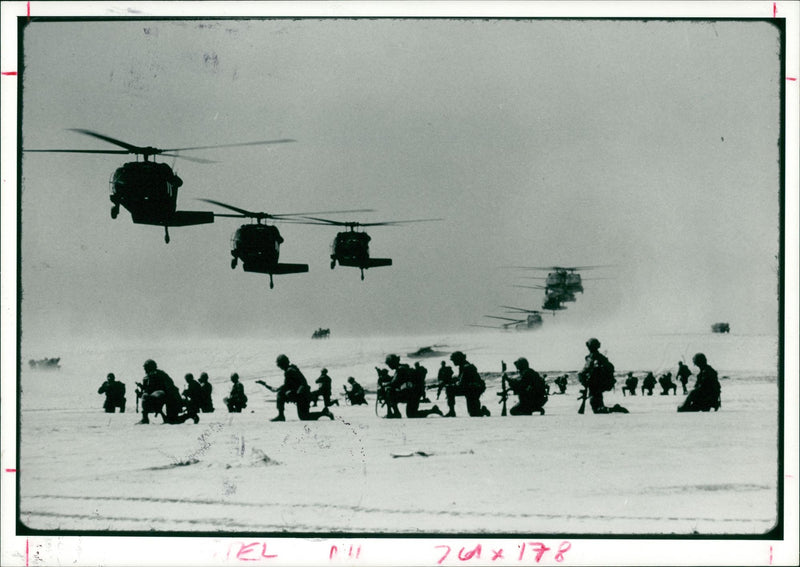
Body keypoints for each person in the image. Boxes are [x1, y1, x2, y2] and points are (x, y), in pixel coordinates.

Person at [258, 354, 333, 421]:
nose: (279, 367)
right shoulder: (289, 371)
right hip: (301, 396)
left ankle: (324, 413)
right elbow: (279, 389)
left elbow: (303, 383)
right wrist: (265, 385)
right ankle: (281, 416)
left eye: (279, 364)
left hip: (303, 396)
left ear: (282, 364)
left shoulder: (291, 371)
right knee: (281, 394)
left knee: (304, 417)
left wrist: (297, 393)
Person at [381, 354, 442, 418]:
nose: (389, 366)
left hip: (413, 393)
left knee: (390, 392)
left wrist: (384, 385)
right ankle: (433, 410)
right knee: (412, 414)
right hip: (413, 392)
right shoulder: (401, 368)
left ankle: (396, 413)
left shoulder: (400, 369)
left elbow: (395, 383)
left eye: (389, 364)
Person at [578, 338, 627, 414]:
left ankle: (616, 409)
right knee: (598, 407)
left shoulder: (593, 357)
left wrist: (584, 381)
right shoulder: (599, 357)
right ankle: (615, 408)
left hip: (595, 385)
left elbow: (584, 371)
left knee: (597, 409)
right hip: (597, 384)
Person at [138, 359, 195, 424]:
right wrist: (141, 391)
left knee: (173, 421)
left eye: (146, 367)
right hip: (162, 399)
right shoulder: (147, 378)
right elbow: (148, 392)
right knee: (146, 396)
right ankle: (145, 418)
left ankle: (190, 415)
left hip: (171, 399)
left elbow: (170, 388)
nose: (145, 369)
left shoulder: (161, 375)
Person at [445, 351, 489, 417]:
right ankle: (452, 412)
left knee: (474, 414)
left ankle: (483, 410)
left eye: (454, 360)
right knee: (473, 413)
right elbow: (461, 379)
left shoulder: (466, 367)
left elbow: (462, 382)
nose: (453, 362)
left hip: (473, 390)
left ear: (459, 359)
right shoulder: (462, 366)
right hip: (469, 389)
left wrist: (453, 384)